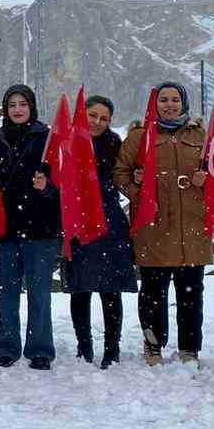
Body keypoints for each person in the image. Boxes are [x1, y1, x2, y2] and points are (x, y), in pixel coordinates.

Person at [115, 83, 212, 366]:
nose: (169, 105)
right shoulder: (140, 136)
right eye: (163, 100)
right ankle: (153, 344)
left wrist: (206, 180)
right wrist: (139, 192)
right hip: (154, 224)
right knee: (153, 291)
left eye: (175, 99)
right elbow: (120, 173)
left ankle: (189, 348)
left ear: (184, 103)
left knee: (191, 292)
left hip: (192, 225)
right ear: (154, 104)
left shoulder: (200, 135)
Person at [0, 84, 61, 371]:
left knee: (39, 292)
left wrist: (47, 187)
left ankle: (40, 349)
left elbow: (63, 185)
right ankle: (7, 347)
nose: (18, 109)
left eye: (23, 104)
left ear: (32, 107)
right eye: (12, 105)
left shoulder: (48, 139)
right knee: (7, 293)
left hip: (40, 229)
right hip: (6, 228)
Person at [63, 95, 137, 367]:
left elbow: (124, 175)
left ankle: (111, 347)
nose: (97, 122)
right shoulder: (66, 141)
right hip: (77, 220)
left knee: (110, 289)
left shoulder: (114, 144)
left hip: (108, 221)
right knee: (80, 288)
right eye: (92, 115)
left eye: (104, 119)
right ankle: (84, 346)